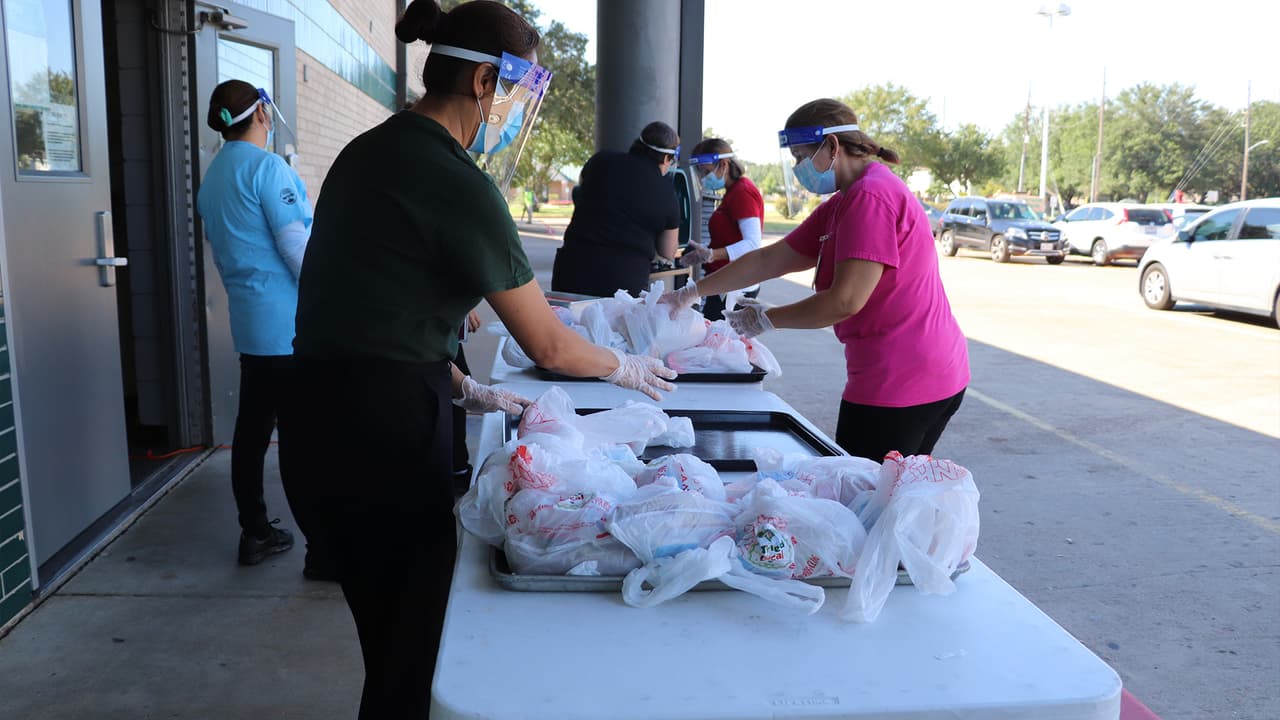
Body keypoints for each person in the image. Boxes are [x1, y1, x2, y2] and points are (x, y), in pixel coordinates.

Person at [284, 2, 677, 717]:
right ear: (482, 83)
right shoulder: (453, 179)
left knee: (388, 638)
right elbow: (549, 344)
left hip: (321, 422)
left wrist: (468, 388)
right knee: (413, 655)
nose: (515, 111)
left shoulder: (370, 151)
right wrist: (625, 370)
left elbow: (368, 309)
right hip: (382, 442)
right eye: (519, 92)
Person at [662, 98, 969, 462]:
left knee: (862, 495)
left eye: (801, 156)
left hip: (902, 377)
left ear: (832, 147)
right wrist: (693, 290)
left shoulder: (870, 196)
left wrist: (766, 319)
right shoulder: (845, 201)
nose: (798, 169)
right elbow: (769, 258)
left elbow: (845, 301)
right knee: (887, 495)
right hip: (923, 368)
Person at [196, 79, 312, 571]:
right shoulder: (269, 169)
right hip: (288, 327)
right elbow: (296, 251)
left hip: (249, 323)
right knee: (305, 440)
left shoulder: (214, 176)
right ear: (263, 113)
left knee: (252, 431)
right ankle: (323, 548)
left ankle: (256, 530)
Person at [550, 121, 682, 297]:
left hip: (572, 270)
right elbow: (667, 251)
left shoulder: (600, 161)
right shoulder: (667, 192)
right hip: (622, 282)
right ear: (667, 158)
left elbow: (582, 193)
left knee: (565, 322)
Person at [680, 137, 764, 319]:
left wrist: (711, 254)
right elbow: (729, 237)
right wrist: (705, 249)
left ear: (724, 164)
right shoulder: (733, 192)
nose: (703, 177)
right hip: (726, 281)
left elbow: (752, 244)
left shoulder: (743, 193)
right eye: (701, 172)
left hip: (735, 287)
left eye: (707, 171)